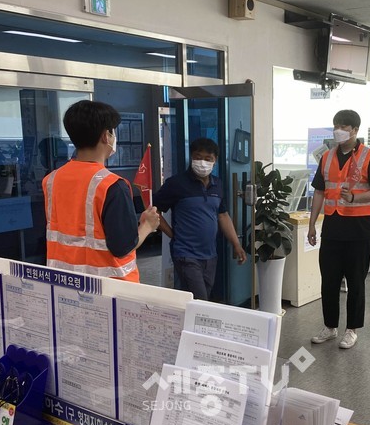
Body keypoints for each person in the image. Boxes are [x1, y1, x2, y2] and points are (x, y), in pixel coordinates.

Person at [42, 100, 160, 282]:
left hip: (64, 282)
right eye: (113, 132)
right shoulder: (112, 186)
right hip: (110, 288)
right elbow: (122, 247)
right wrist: (147, 226)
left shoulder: (51, 180)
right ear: (106, 136)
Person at [308, 110, 370, 349]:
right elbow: (320, 192)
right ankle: (330, 326)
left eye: (344, 127)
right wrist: (312, 224)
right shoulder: (327, 157)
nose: (338, 131)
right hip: (333, 226)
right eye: (336, 126)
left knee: (355, 281)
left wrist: (355, 197)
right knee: (329, 281)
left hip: (360, 228)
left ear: (355, 130)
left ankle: (352, 329)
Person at [153, 137, 247, 300]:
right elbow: (153, 211)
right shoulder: (176, 184)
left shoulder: (217, 185)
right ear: (191, 157)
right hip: (185, 254)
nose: (202, 162)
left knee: (201, 299)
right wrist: (172, 234)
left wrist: (236, 244)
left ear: (215, 161)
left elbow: (223, 215)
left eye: (208, 159)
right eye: (198, 157)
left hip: (210, 255)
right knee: (200, 300)